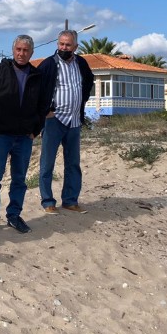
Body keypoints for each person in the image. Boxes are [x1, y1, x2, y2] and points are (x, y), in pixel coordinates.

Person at [0, 35, 48, 234]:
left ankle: (14, 215)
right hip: (1, 135)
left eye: (26, 50)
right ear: (13, 50)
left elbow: (43, 105)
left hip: (24, 137)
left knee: (19, 179)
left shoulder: (37, 76)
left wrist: (36, 129)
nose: (21, 53)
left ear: (32, 53)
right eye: (18, 49)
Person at [38, 29, 95, 214]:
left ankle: (70, 200)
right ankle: (48, 202)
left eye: (68, 45)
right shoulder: (49, 64)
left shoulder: (81, 63)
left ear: (75, 46)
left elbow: (88, 82)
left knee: (73, 163)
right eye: (61, 44)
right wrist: (45, 110)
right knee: (47, 164)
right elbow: (36, 88)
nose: (64, 47)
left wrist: (81, 105)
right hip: (54, 121)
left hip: (74, 121)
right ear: (57, 44)